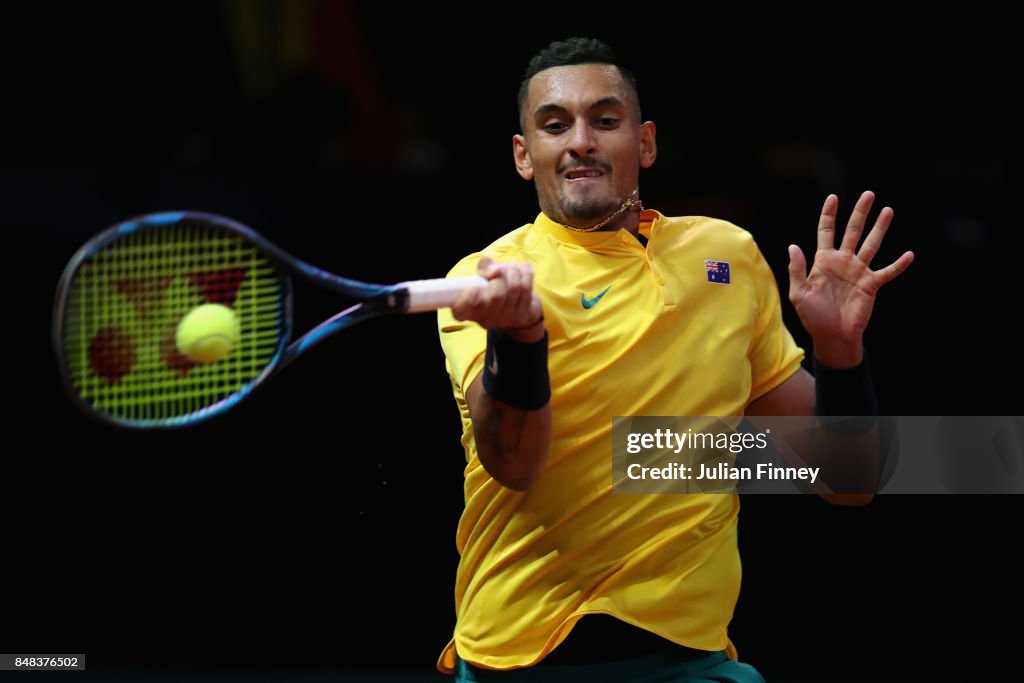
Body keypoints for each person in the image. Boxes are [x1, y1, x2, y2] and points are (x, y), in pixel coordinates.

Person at [436, 37, 913, 682]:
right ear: (525, 156)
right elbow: (514, 465)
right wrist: (519, 339)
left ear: (646, 143)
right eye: (555, 126)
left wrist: (840, 352)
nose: (580, 140)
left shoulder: (727, 254)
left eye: (605, 120)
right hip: (523, 655)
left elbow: (848, 481)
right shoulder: (487, 280)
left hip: (690, 658)